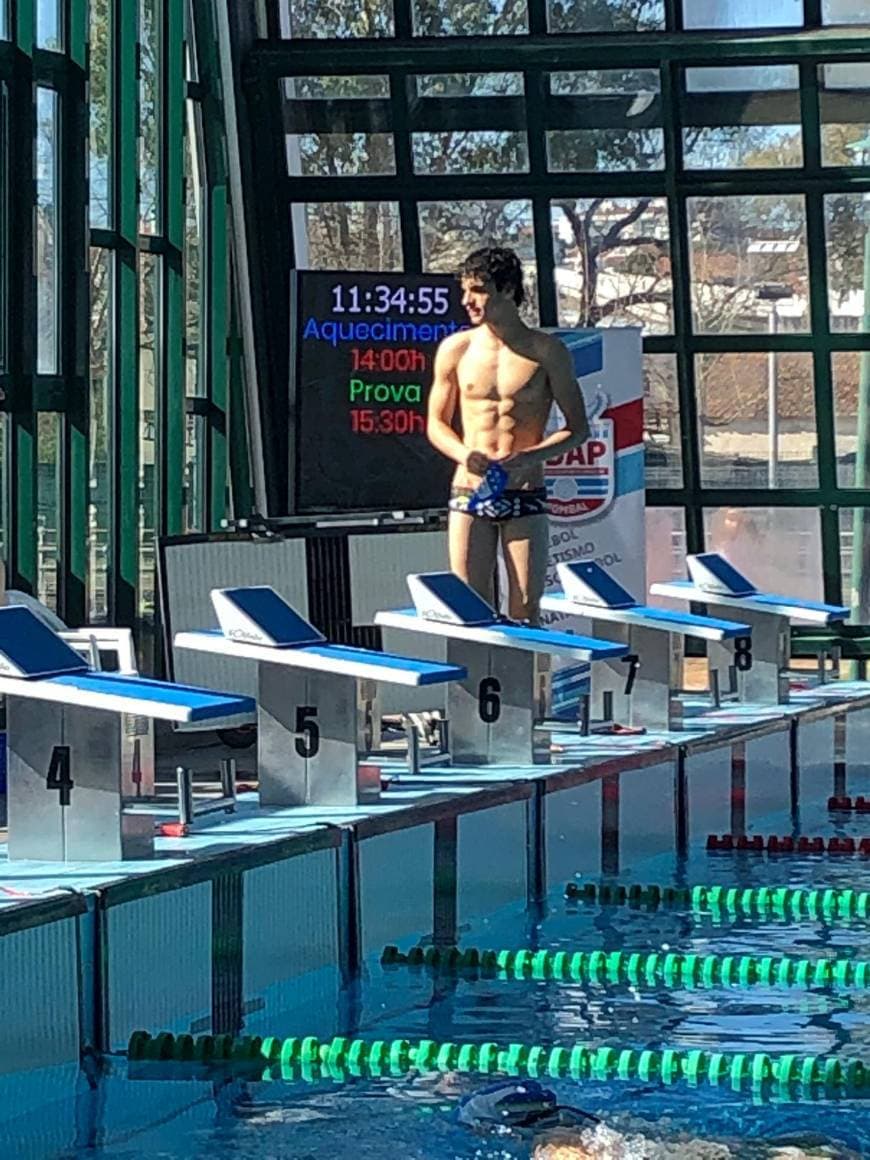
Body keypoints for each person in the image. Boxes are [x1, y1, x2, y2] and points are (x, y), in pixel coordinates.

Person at [427, 246, 590, 625]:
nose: (468, 301)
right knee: (469, 610)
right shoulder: (456, 349)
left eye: (478, 290)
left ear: (506, 289)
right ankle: (480, 683)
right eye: (465, 291)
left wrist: (530, 457)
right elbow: (435, 423)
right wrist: (464, 453)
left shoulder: (546, 351)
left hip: (525, 492)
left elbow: (577, 429)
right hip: (470, 491)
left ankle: (524, 685)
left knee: (525, 608)